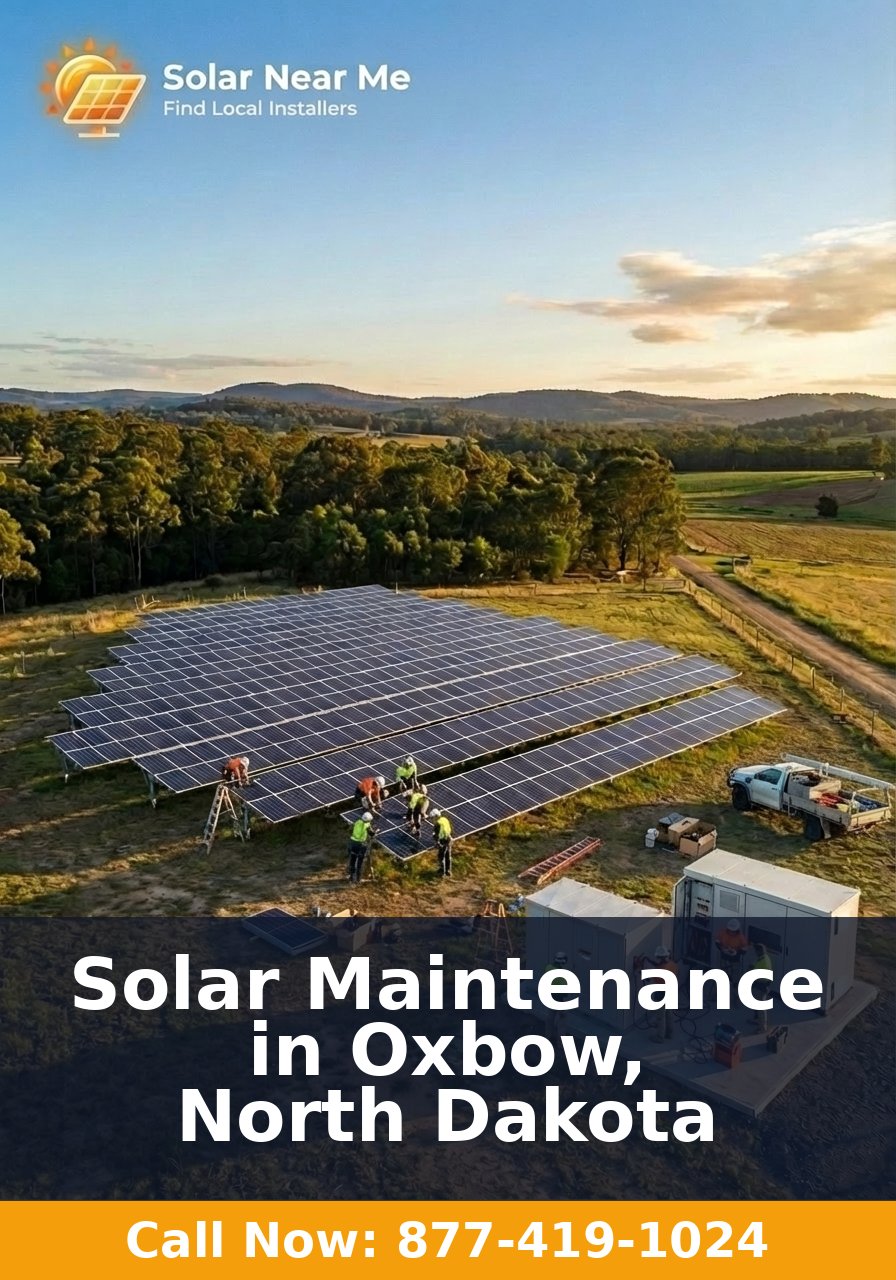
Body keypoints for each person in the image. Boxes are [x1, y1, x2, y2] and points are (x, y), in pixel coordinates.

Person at [647, 945, 678, 1043]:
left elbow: (649, 978)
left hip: (661, 994)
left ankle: (660, 1037)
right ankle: (670, 1033)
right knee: (669, 1014)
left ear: (660, 957)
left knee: (661, 1017)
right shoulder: (673, 965)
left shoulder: (659, 970)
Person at [750, 943, 774, 1033]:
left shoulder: (763, 961)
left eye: (756, 951)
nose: (755, 953)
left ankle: (762, 1028)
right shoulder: (765, 958)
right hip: (761, 985)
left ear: (759, 951)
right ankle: (757, 1020)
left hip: (761, 986)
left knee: (761, 1008)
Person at [347, 812, 374, 884]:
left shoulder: (357, 822)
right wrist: (375, 832)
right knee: (360, 862)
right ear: (368, 820)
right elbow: (371, 833)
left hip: (352, 843)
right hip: (361, 844)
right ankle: (358, 879)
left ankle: (351, 877)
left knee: (352, 860)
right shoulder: (367, 825)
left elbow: (351, 830)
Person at [430, 809, 453, 877]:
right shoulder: (444, 819)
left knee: (441, 856)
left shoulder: (437, 824)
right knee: (448, 856)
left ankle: (442, 872)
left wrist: (437, 843)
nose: (432, 819)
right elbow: (449, 828)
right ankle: (448, 871)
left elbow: (436, 835)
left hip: (443, 841)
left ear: (436, 816)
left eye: (432, 818)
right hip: (449, 839)